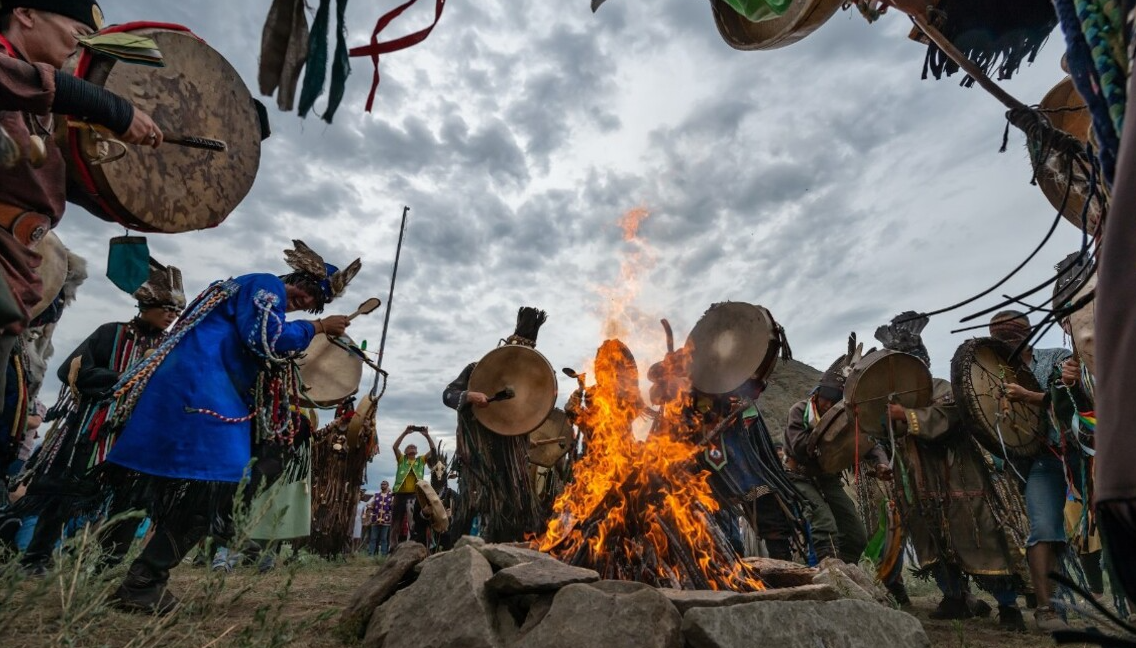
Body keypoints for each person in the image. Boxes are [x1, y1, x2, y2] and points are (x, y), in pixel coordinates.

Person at [97, 240, 360, 613]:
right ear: (297, 275)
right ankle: (141, 582)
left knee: (202, 489)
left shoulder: (249, 289)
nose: (305, 301)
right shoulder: (265, 284)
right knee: (217, 489)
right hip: (205, 391)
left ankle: (141, 579)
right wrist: (317, 326)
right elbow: (268, 339)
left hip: (201, 389)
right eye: (308, 292)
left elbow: (261, 342)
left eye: (315, 303)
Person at [0, 0, 162, 411]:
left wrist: (152, 196)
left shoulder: (42, 113)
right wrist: (111, 107)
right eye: (76, 30)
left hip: (17, 266)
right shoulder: (11, 70)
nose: (79, 45)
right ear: (26, 14)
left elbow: (79, 189)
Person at [11, 260, 182, 573]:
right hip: (92, 429)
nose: (172, 314)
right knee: (64, 494)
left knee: (131, 498)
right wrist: (127, 375)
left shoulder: (170, 348)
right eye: (166, 307)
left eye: (176, 310)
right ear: (146, 305)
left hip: (140, 434)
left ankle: (107, 566)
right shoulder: (111, 333)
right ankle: (36, 558)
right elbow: (70, 372)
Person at [879, 312, 1027, 631]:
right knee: (932, 540)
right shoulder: (888, 400)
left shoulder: (941, 386)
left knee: (981, 536)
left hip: (959, 478)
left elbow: (949, 418)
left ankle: (1008, 606)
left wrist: (907, 415)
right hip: (918, 484)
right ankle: (954, 597)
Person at [988, 310, 1077, 631]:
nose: (1008, 342)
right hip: (1034, 462)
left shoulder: (1057, 357)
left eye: (1013, 335)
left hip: (1077, 455)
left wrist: (1027, 395)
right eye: (1000, 337)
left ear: (1028, 334)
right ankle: (1047, 611)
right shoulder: (989, 372)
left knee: (1105, 526)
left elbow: (1070, 399)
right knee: (1044, 528)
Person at [444, 307, 548, 543]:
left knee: (514, 509)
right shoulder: (476, 369)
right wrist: (470, 396)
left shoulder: (529, 382)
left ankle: (507, 560)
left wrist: (528, 441)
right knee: (474, 505)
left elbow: (527, 415)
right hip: (480, 457)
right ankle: (458, 561)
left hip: (512, 463)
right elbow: (448, 394)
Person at [783, 357, 891, 565]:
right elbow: (798, 446)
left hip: (829, 479)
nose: (829, 404)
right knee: (825, 527)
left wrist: (881, 463)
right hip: (800, 477)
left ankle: (846, 577)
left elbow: (871, 443)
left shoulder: (847, 417)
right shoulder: (799, 411)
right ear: (817, 393)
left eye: (836, 400)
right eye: (826, 397)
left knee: (855, 535)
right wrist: (832, 436)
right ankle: (829, 579)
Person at [390, 425, 435, 550]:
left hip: (414, 495)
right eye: (409, 447)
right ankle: (392, 547)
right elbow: (395, 446)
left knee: (413, 521)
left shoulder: (420, 460)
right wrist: (405, 432)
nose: (412, 447)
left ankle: (413, 545)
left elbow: (433, 449)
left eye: (414, 447)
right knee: (396, 522)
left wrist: (427, 435)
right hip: (399, 494)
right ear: (405, 451)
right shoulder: (401, 459)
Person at [368, 480, 392, 556]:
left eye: (384, 484)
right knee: (373, 538)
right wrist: (371, 507)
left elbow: (393, 507)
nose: (382, 485)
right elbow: (368, 504)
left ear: (387, 486)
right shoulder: (376, 495)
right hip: (375, 519)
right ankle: (371, 554)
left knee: (384, 539)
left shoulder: (391, 497)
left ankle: (383, 555)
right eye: (381, 484)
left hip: (386, 520)